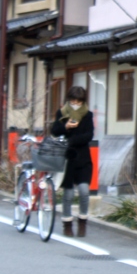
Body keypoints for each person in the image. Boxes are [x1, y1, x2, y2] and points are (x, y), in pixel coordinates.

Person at [50, 86, 94, 238]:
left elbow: (89, 135)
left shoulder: (88, 115)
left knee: (84, 191)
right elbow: (54, 130)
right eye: (73, 100)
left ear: (83, 101)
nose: (75, 103)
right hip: (67, 159)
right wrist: (66, 127)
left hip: (83, 158)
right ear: (68, 99)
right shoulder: (62, 113)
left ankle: (82, 221)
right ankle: (67, 224)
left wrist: (72, 140)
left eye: (79, 101)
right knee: (68, 193)